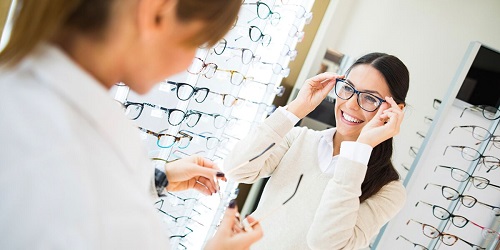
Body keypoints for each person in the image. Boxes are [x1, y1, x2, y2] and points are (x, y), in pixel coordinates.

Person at [0, 0, 262, 249]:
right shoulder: (77, 175)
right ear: (157, 11)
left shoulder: (21, 94)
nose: (190, 62)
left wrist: (159, 180)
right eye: (198, 42)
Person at [225, 52, 410, 249]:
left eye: (370, 99)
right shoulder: (299, 139)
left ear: (394, 110)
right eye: (348, 88)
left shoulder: (389, 191)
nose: (351, 104)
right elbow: (236, 168)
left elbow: (326, 244)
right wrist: (296, 108)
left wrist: (359, 150)